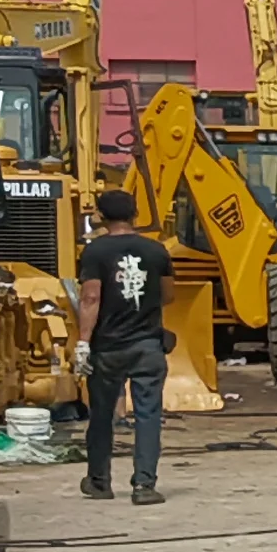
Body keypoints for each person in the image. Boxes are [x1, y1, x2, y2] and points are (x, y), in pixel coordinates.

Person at [71, 186, 182, 505]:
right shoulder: (157, 250)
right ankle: (144, 485)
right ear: (135, 214)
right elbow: (169, 294)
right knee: (148, 415)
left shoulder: (95, 252)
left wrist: (83, 343)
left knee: (103, 414)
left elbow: (91, 297)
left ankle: (98, 481)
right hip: (148, 345)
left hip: (108, 348)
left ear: (101, 217)